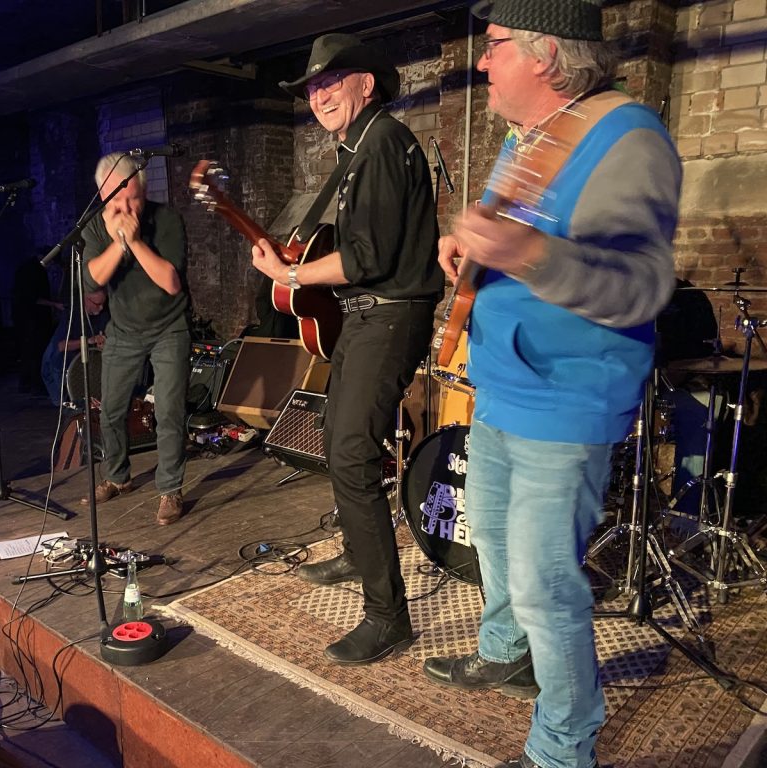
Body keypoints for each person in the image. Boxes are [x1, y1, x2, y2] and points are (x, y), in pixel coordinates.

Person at [419, 3, 681, 767]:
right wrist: (471, 248)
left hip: (567, 396)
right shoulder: (527, 136)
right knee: (494, 539)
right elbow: (512, 231)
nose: (482, 62)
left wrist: (527, 255)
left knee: (542, 582)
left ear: (545, 56)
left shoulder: (627, 140)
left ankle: (564, 745)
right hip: (502, 380)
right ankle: (506, 652)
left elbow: (640, 285)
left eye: (494, 46)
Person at [252, 33, 444, 664]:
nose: (319, 95)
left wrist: (292, 274)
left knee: (353, 453)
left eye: (331, 81)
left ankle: (388, 617)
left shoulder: (382, 142)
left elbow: (368, 258)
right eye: (312, 87)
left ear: (367, 83)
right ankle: (361, 553)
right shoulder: (359, 147)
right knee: (337, 433)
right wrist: (296, 263)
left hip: (389, 315)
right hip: (366, 316)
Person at [79, 152, 192, 526]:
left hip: (169, 327)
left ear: (144, 192)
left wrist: (135, 241)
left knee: (169, 411)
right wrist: (118, 244)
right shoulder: (94, 228)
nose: (126, 208)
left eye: (133, 199)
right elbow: (93, 280)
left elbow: (171, 283)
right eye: (117, 200)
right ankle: (117, 477)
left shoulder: (167, 219)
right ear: (102, 196)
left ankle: (170, 489)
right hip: (124, 330)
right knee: (110, 409)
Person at [40, 288, 109, 408]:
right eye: (97, 304)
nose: (101, 307)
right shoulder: (71, 315)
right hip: (61, 365)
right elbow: (62, 346)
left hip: (88, 365)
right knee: (69, 404)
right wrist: (88, 341)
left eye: (103, 303)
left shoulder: (103, 314)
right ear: (86, 299)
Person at [12, 251, 59, 394]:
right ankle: (35, 385)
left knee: (29, 352)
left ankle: (28, 384)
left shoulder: (31, 269)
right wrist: (54, 304)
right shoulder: (32, 271)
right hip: (31, 319)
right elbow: (31, 298)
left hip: (29, 319)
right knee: (34, 352)